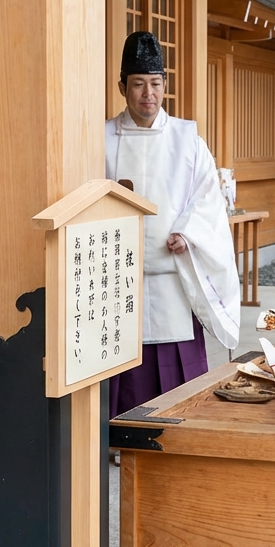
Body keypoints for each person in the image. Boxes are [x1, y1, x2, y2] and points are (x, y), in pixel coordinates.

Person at [105, 31, 239, 418]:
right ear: (122, 87)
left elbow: (207, 197)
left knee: (173, 361)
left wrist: (188, 232)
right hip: (118, 277)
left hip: (171, 275)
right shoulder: (100, 138)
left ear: (165, 86)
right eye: (138, 84)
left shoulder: (187, 138)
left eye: (155, 84)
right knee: (119, 355)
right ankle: (119, 435)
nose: (148, 93)